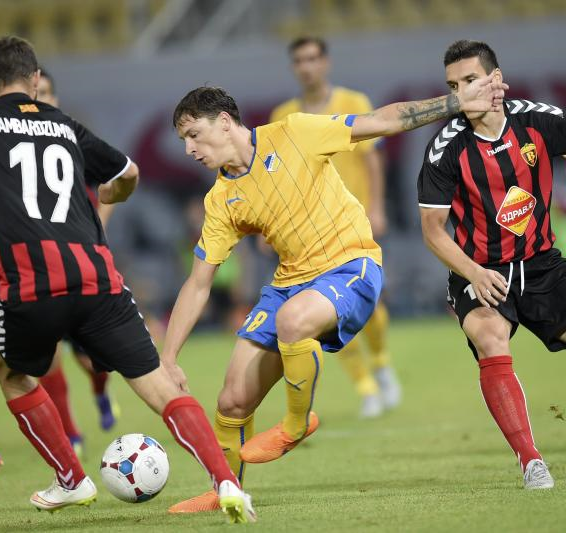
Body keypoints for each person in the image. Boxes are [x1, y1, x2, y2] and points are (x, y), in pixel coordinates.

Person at [0, 36, 256, 523]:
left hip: (31, 283)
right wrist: (113, 195)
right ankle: (226, 481)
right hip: (98, 277)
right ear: (36, 80)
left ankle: (71, 478)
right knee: (160, 384)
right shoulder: (62, 124)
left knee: (10, 372)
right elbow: (128, 171)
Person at [163, 76, 506, 512]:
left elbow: (381, 121)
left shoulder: (295, 132)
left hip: (351, 266)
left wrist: (455, 101)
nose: (189, 149)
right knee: (232, 401)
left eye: (194, 135)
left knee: (292, 321)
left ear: (225, 122)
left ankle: (295, 422)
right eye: (184, 140)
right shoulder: (221, 200)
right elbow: (198, 283)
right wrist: (168, 357)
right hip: (290, 283)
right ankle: (225, 490)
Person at [417, 39, 566, 490]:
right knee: (489, 336)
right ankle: (531, 461)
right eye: (453, 85)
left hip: (542, 265)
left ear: (496, 79)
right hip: (480, 271)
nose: (461, 92)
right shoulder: (446, 148)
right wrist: (474, 273)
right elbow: (433, 231)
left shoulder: (539, 121)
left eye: (470, 79)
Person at [270, 36, 400, 418]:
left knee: (371, 306)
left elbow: (372, 159)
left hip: (354, 223)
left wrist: (377, 206)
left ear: (325, 62)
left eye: (313, 58)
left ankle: (381, 363)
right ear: (293, 67)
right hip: (308, 232)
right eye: (300, 60)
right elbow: (277, 176)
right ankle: (366, 387)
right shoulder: (284, 116)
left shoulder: (353, 103)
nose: (307, 66)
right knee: (327, 314)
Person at [33, 67, 120, 456]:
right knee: (47, 351)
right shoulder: (6, 146)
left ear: (56, 99)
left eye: (45, 93)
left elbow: (114, 179)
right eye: (33, 92)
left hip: (83, 262)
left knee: (96, 361)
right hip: (38, 265)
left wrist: (96, 229)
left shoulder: (69, 138)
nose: (38, 100)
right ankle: (70, 433)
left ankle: (101, 390)